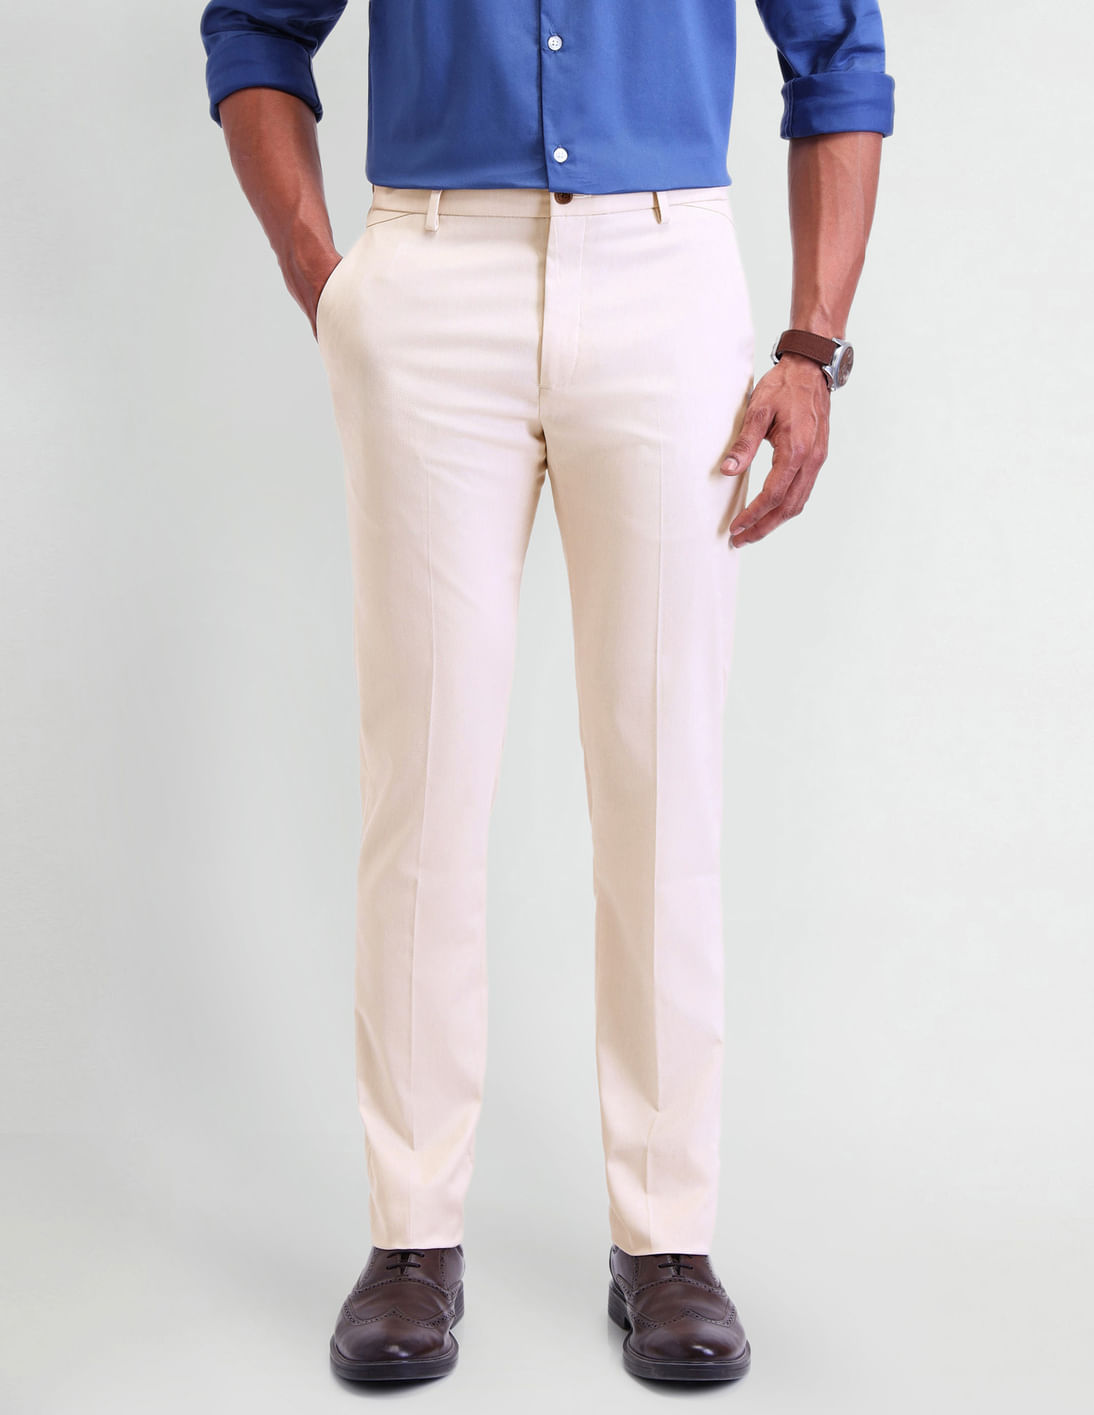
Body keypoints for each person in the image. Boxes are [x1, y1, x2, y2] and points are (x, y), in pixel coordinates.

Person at [198, 0, 894, 1385]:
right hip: (429, 273)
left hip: (665, 274)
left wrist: (812, 345)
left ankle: (667, 1238)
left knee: (662, 777)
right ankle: (411, 1236)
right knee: (423, 775)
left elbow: (837, 53)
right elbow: (256, 27)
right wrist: (324, 277)